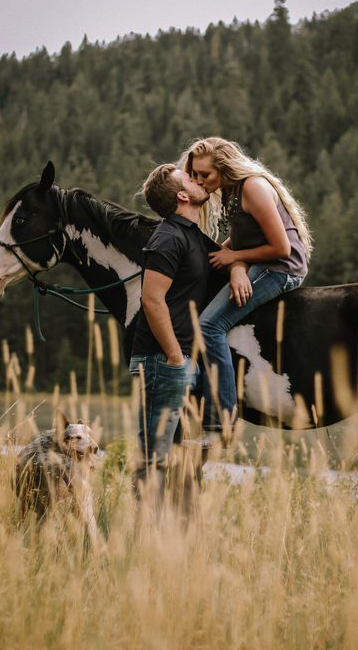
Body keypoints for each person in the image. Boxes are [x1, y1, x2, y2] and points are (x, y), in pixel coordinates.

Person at [180, 137, 312, 444]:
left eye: (204, 175)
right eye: (194, 175)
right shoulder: (230, 191)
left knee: (209, 326)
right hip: (262, 262)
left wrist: (234, 258)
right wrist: (228, 256)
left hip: (282, 268)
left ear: (224, 169)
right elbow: (242, 238)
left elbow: (281, 247)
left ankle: (221, 423)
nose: (199, 180)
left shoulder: (252, 187)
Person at [129, 162, 214, 504]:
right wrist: (176, 357)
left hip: (177, 360)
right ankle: (143, 536)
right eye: (189, 178)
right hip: (163, 360)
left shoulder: (190, 233)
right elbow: (151, 299)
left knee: (170, 454)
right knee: (155, 456)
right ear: (182, 195)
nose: (196, 179)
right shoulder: (167, 236)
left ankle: (167, 535)